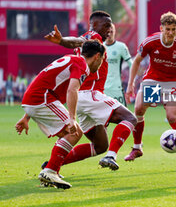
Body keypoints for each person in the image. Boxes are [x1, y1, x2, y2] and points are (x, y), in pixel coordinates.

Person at [44, 11, 137, 172]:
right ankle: (111, 156)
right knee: (130, 118)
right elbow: (77, 41)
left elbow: (78, 43)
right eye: (106, 25)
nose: (109, 29)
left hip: (81, 99)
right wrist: (62, 40)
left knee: (100, 145)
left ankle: (53, 164)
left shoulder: (92, 44)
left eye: (110, 25)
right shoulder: (92, 36)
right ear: (94, 25)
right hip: (90, 94)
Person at [15, 40, 106, 189]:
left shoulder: (71, 60)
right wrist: (72, 118)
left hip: (35, 98)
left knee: (67, 133)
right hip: (42, 99)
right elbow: (72, 90)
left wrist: (27, 116)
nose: (101, 64)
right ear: (97, 56)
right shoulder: (81, 64)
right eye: (102, 60)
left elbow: (44, 79)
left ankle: (52, 170)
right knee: (74, 132)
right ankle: (49, 171)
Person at [125, 11, 176, 171]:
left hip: (172, 82)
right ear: (161, 28)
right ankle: (137, 148)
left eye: (174, 29)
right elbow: (136, 61)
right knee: (138, 109)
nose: (171, 33)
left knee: (172, 117)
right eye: (168, 29)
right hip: (152, 79)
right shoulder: (151, 42)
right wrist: (130, 84)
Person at [104, 23, 133, 106]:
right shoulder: (100, 47)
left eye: (111, 31)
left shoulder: (121, 47)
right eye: (107, 32)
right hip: (103, 89)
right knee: (104, 116)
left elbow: (131, 64)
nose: (109, 34)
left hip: (116, 88)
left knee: (123, 116)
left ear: (115, 32)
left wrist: (131, 82)